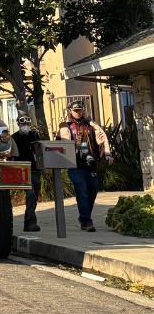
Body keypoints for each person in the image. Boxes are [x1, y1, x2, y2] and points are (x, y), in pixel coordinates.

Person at [57, 99, 112, 232]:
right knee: (81, 190)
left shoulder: (90, 125)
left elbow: (102, 137)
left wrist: (107, 153)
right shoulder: (65, 126)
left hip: (90, 164)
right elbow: (59, 144)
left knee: (92, 191)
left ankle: (84, 217)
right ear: (70, 111)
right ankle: (87, 221)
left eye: (80, 110)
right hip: (75, 165)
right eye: (75, 111)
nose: (78, 113)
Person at [11, 114, 42, 232]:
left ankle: (28, 220)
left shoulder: (34, 135)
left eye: (28, 124)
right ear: (18, 124)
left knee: (35, 196)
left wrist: (43, 169)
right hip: (21, 170)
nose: (26, 126)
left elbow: (38, 153)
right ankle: (31, 221)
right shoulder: (13, 138)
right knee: (30, 194)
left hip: (34, 169)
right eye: (23, 124)